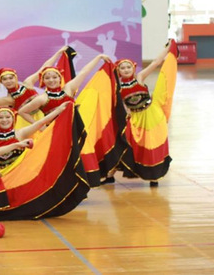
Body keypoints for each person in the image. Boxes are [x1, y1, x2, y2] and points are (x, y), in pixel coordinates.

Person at [108, 41, 177, 186]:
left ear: (133, 68)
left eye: (128, 67)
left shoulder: (139, 78)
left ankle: (154, 177)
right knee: (124, 144)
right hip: (134, 118)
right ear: (118, 71)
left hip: (151, 115)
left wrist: (168, 48)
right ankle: (110, 175)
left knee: (151, 144)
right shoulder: (117, 87)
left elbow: (156, 62)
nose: (126, 70)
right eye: (122, 68)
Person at [0, 103, 70, 178]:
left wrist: (58, 110)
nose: (4, 120)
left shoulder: (20, 133)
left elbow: (40, 123)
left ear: (13, 119)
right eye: (0, 117)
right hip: (0, 174)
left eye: (8, 117)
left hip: (19, 173)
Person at [18, 53, 111, 121]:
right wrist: (40, 127)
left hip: (74, 129)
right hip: (54, 133)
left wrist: (98, 57)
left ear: (60, 78)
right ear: (43, 81)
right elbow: (22, 112)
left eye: (55, 77)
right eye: (47, 78)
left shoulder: (68, 89)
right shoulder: (42, 98)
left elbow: (84, 72)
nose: (51, 80)